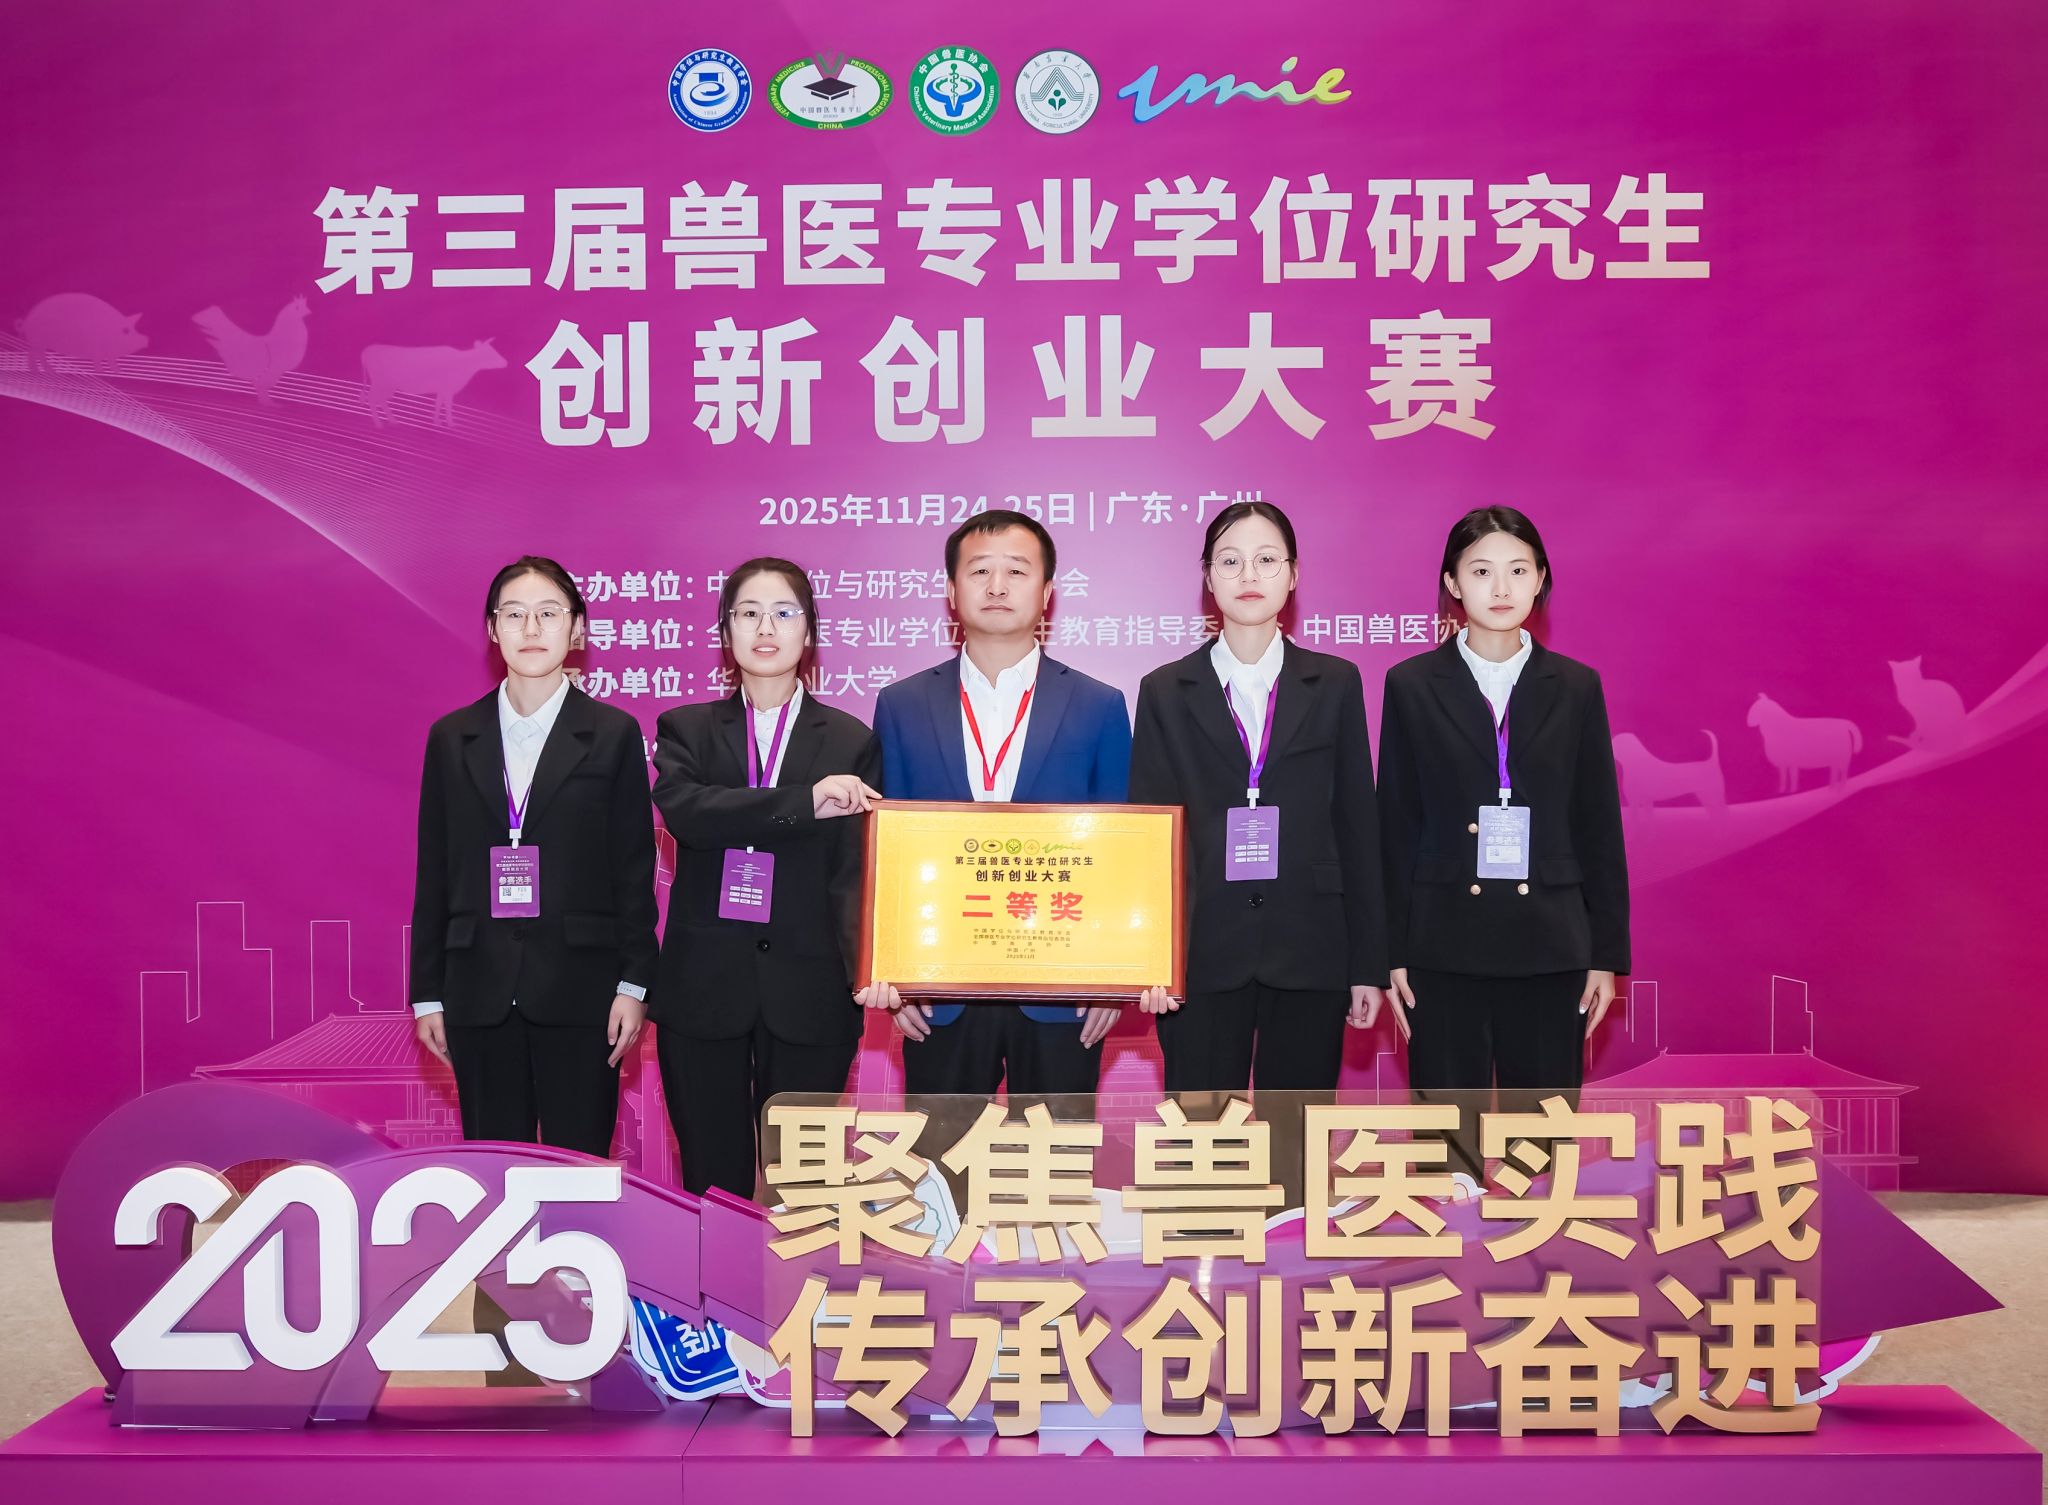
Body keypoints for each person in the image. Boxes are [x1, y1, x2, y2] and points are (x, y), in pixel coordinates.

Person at [1377, 506, 1629, 1189]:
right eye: (1481, 571)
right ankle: (1446, 1244)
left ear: (1541, 579)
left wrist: (1605, 954)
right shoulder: (1411, 684)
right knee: (1446, 1150)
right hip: (1441, 943)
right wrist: (1389, 952)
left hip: (1550, 941)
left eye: (1518, 571)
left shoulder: (1575, 686)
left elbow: (1598, 823)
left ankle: (1534, 1244)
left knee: (1539, 1151)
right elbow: (1395, 822)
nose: (1500, 587)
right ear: (1452, 584)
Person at [859, 510, 1131, 1097]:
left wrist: (1114, 977)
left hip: (1064, 986)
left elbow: (1120, 856)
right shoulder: (902, 704)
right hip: (939, 989)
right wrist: (893, 975)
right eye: (980, 571)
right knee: (942, 1150)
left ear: (1048, 592)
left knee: (1057, 1152)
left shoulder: (1100, 705)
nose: (998, 586)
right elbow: (888, 851)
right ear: (951, 591)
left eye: (1017, 571)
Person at [1130, 500, 1391, 1096]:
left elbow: (1357, 825)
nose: (1249, 575)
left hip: (1312, 947)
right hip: (1199, 956)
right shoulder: (1165, 690)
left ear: (1293, 575)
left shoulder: (1335, 682)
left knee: (1294, 1138)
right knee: (1202, 1136)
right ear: (1207, 578)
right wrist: (1152, 958)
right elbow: (1151, 840)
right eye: (1230, 561)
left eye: (1267, 560)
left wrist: (1366, 965)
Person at [410, 555, 659, 1158]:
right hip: (478, 988)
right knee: (494, 1167)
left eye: (548, 613)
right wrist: (427, 994)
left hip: (584, 987)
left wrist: (634, 983)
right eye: (514, 614)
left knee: (580, 1168)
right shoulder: (452, 737)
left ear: (577, 628)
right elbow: (434, 870)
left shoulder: (612, 733)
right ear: (492, 629)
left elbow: (632, 868)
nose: (530, 629)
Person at [649, 558, 881, 1198]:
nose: (766, 628)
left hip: (813, 990)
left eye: (784, 613)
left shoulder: (851, 740)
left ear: (810, 632)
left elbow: (858, 872)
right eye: (748, 613)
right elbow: (689, 813)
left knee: (805, 1191)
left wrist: (871, 967)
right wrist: (805, 802)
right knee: (711, 1184)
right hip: (703, 992)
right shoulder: (687, 729)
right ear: (726, 632)